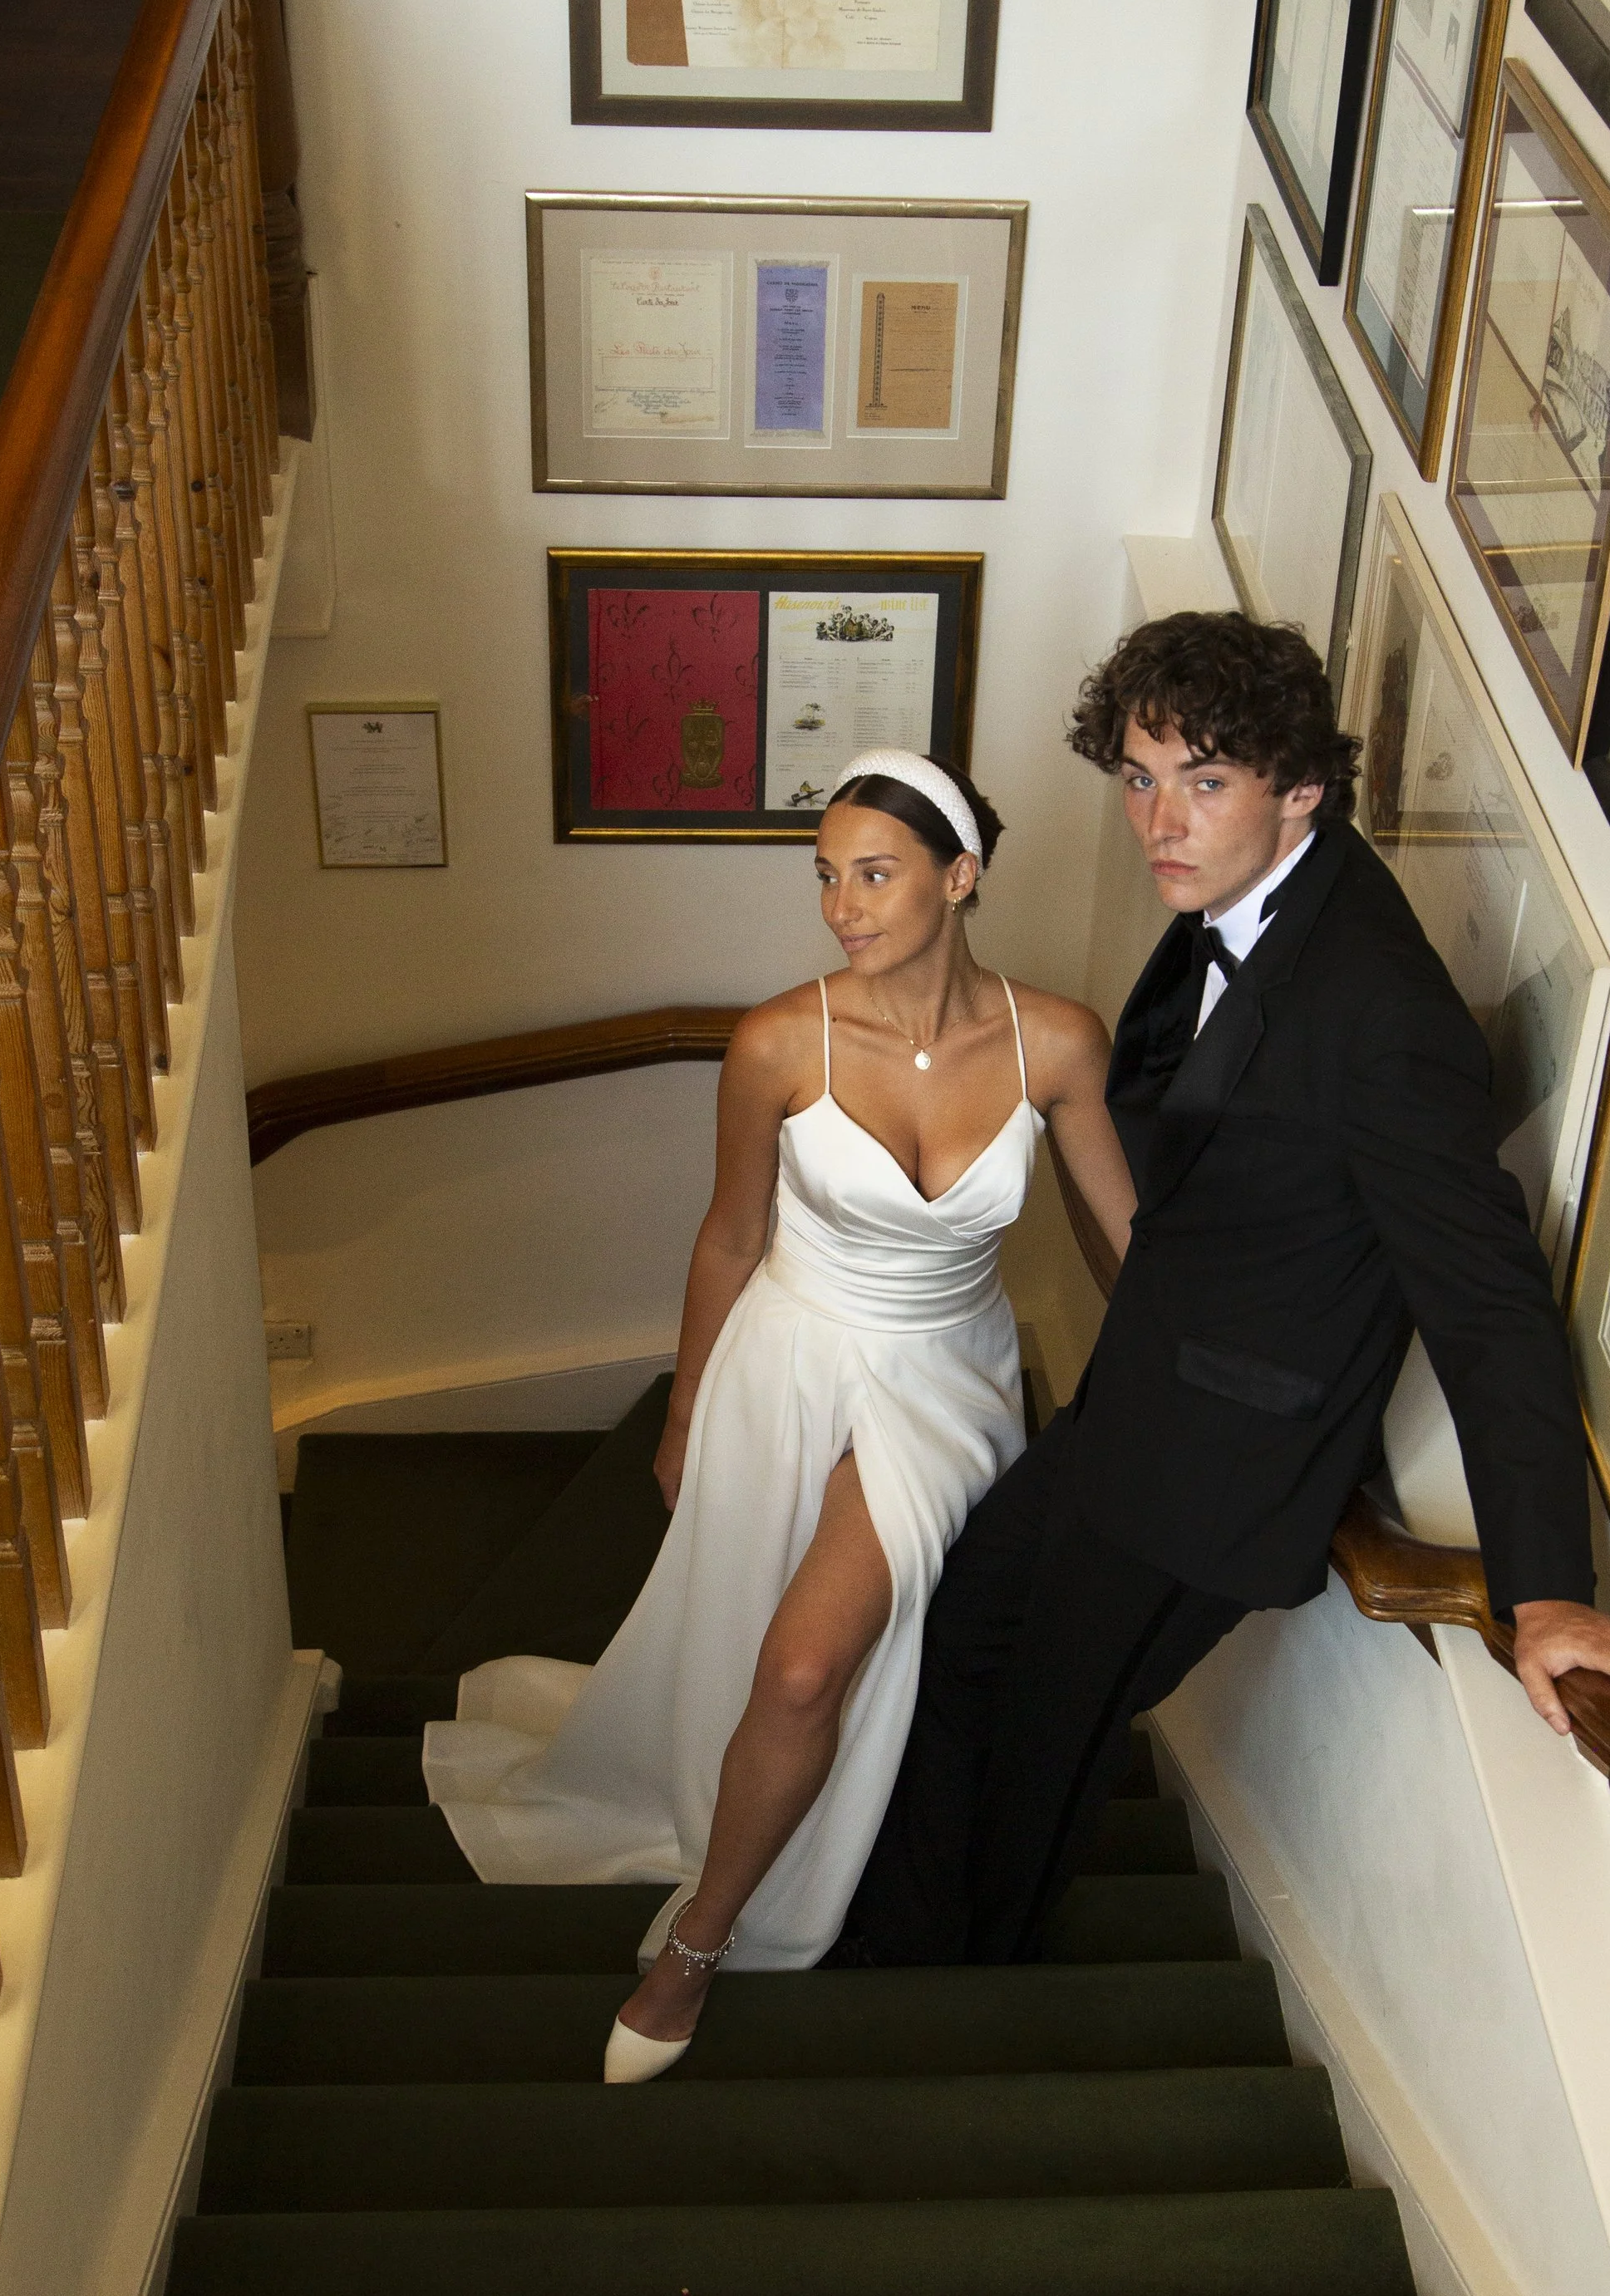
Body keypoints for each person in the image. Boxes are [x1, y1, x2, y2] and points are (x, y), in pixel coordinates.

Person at [835, 614, 1610, 1971]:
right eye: (1138, 779)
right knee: (958, 1627)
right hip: (1138, 1408)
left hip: (1219, 1478)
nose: (1159, 822)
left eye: (1205, 782)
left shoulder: (1382, 1017)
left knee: (1047, 1731)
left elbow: (1489, 1307)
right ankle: (900, 1924)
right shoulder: (1245, 898)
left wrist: (1545, 1589)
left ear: (1302, 789)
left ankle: (946, 1984)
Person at [420, 749, 1135, 2079]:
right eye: (825, 875)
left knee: (808, 1660)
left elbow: (1125, 1242)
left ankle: (697, 1943)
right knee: (756, 1629)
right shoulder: (775, 1039)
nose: (842, 905)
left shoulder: (1060, 1040)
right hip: (786, 1360)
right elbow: (728, 1237)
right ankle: (748, 1805)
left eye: (876, 872)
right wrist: (687, 1407)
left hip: (948, 1382)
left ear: (960, 875)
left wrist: (1169, 1380)